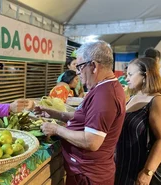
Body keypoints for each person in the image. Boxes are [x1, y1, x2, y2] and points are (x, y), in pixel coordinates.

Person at [35, 40, 126, 185]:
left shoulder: (105, 95)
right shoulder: (102, 88)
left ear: (94, 66)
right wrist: (52, 113)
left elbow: (91, 141)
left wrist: (56, 129)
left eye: (80, 66)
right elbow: (84, 117)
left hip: (88, 175)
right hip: (85, 172)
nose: (78, 72)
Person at [115, 57, 161, 185]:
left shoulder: (157, 101)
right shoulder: (133, 97)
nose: (126, 78)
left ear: (146, 75)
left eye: (130, 74)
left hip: (140, 168)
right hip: (123, 164)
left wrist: (147, 172)